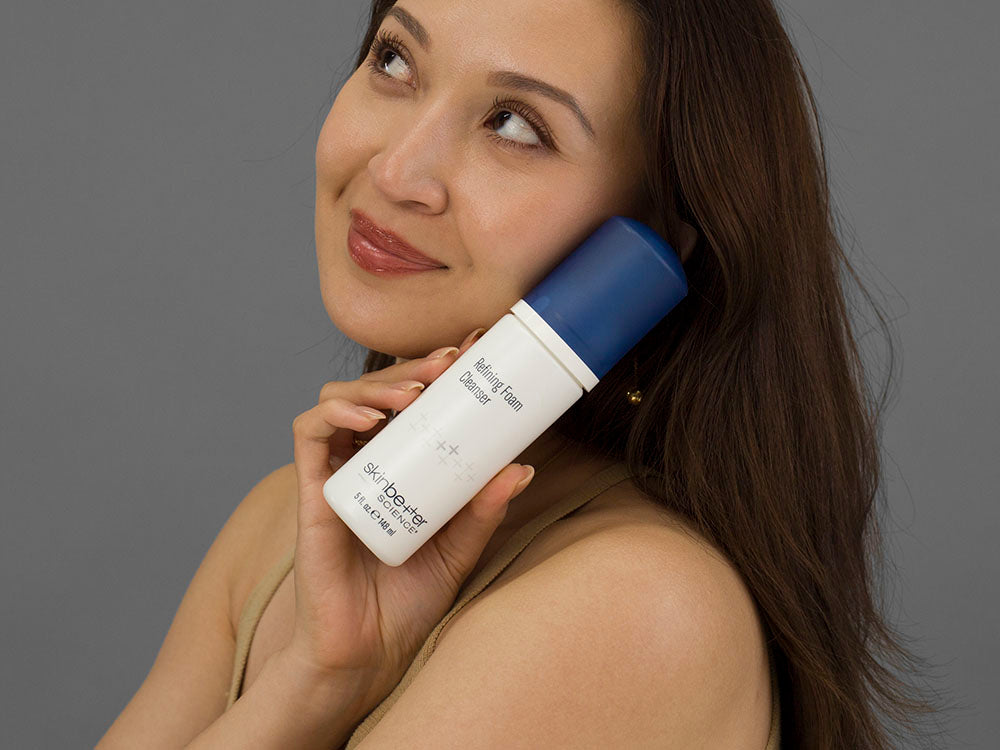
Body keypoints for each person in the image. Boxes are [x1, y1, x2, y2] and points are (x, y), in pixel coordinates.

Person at [97, 0, 944, 748]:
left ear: (646, 243)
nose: (396, 172)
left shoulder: (633, 606)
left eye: (513, 125)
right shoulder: (284, 523)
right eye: (395, 60)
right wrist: (313, 685)